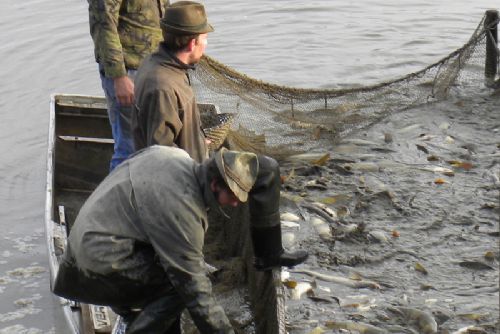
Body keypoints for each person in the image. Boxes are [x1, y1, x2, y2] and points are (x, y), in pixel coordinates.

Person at [53, 146, 307, 333]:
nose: (236, 203)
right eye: (233, 195)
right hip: (93, 267)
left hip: (94, 242)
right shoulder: (182, 210)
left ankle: (136, 311)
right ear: (215, 184)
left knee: (176, 281)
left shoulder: (175, 156)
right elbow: (194, 289)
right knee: (180, 285)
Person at [88, 0, 170, 170]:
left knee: (157, 143)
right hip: (128, 72)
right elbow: (104, 26)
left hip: (156, 66)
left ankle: (143, 193)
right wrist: (119, 77)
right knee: (129, 149)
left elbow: (165, 12)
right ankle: (118, 196)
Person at [132, 1, 212, 163]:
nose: (206, 44)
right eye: (204, 38)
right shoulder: (162, 87)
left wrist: (198, 143)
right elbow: (162, 153)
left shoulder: (158, 63)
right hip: (180, 180)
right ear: (192, 44)